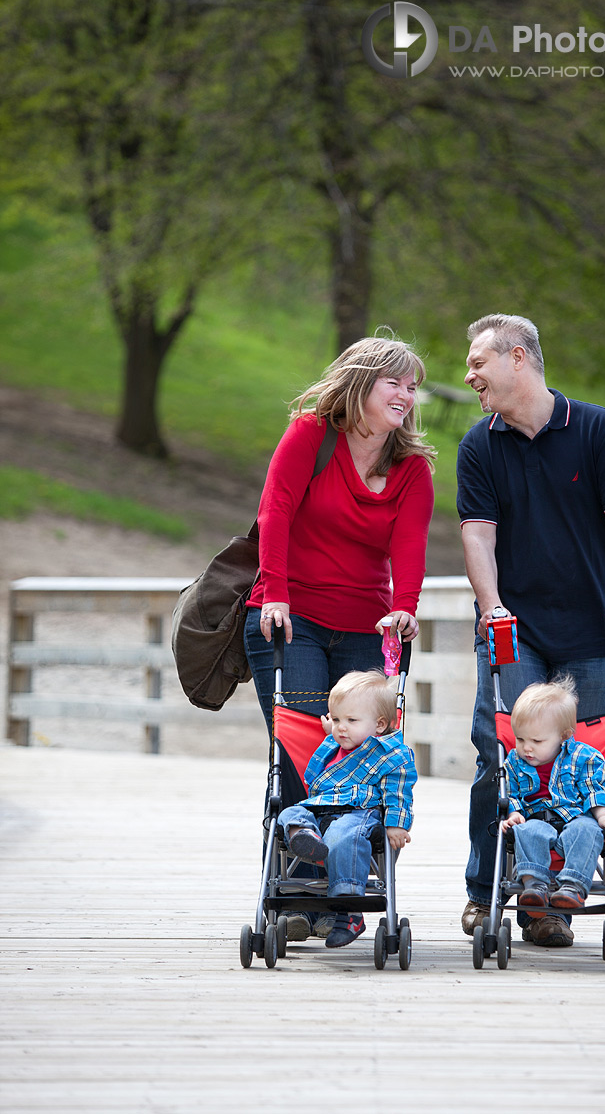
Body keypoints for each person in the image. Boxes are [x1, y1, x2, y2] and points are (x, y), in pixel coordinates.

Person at [456, 313, 605, 947]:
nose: (470, 374)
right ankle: (485, 892)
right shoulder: (479, 445)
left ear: (518, 358)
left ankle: (551, 907)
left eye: (478, 362)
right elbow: (477, 537)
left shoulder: (596, 429)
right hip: (516, 632)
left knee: (582, 765)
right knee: (502, 757)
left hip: (592, 633)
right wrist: (492, 607)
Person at [244, 334, 434, 942]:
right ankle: (298, 895)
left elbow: (409, 547)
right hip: (289, 618)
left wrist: (404, 608)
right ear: (360, 383)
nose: (407, 395)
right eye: (395, 383)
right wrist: (275, 591)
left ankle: (347, 891)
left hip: (365, 628)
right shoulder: (310, 435)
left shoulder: (411, 470)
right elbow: (274, 509)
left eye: (413, 386)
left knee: (363, 757)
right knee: (304, 758)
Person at [278, 669, 417, 949]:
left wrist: (397, 823)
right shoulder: (335, 743)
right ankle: (305, 837)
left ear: (379, 725)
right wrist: (333, 731)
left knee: (344, 834)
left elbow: (398, 792)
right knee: (288, 813)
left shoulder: (390, 753)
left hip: (358, 812)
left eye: (351, 720)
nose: (341, 727)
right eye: (337, 719)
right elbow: (316, 771)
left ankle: (348, 907)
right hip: (319, 810)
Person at [500, 677, 605, 914]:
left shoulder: (585, 757)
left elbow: (594, 791)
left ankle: (572, 887)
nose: (526, 748)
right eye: (520, 739)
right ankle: (534, 885)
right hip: (536, 818)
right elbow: (511, 794)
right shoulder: (514, 761)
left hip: (576, 816)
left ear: (564, 735)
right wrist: (513, 813)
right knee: (525, 830)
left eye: (537, 741)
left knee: (588, 830)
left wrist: (604, 816)